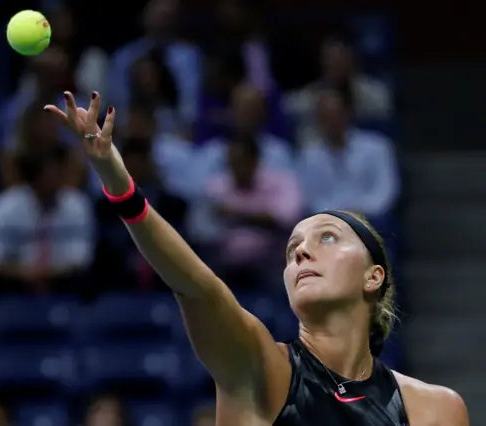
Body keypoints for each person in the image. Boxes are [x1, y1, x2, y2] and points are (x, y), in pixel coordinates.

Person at [44, 92, 470, 425]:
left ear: (373, 276)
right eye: (291, 249)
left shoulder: (435, 410)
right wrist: (120, 183)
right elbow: (197, 286)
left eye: (327, 237)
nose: (301, 250)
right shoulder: (258, 366)